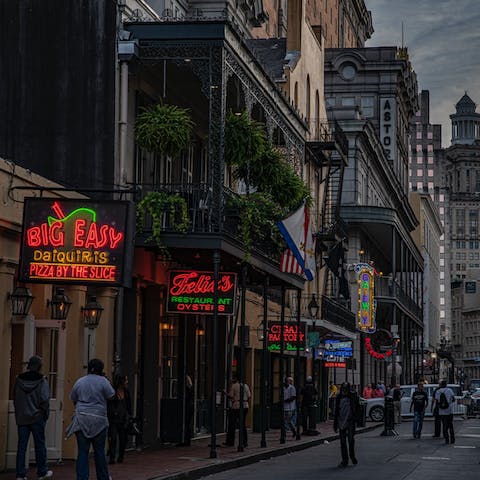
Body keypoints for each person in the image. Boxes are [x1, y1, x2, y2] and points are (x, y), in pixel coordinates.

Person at [66, 358, 115, 480]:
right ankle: (103, 477)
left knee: (82, 451)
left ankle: (82, 477)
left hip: (82, 418)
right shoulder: (103, 382)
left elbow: (73, 397)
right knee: (99, 451)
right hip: (99, 419)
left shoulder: (80, 381)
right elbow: (111, 396)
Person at [14, 355, 53, 480]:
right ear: (39, 367)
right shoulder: (42, 380)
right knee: (40, 445)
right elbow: (45, 399)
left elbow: (15, 397)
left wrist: (19, 412)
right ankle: (42, 471)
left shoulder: (19, 380)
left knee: (21, 446)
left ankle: (20, 474)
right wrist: (44, 413)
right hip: (37, 417)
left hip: (22, 417)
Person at [333, 382, 360, 467]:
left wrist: (356, 418)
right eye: (343, 389)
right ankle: (345, 460)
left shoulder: (353, 396)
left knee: (351, 440)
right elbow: (336, 411)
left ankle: (352, 456)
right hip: (341, 421)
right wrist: (335, 424)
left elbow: (357, 407)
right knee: (343, 442)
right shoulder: (339, 397)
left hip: (350, 421)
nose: (344, 391)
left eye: (345, 389)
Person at [107, 374, 132, 463]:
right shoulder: (112, 391)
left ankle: (121, 456)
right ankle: (112, 458)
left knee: (123, 439)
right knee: (113, 438)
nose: (127, 382)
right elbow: (109, 404)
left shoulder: (126, 392)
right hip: (113, 419)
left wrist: (129, 416)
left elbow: (129, 405)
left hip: (123, 419)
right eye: (125, 380)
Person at [225, 375, 250, 447]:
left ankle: (230, 441)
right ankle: (244, 442)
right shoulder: (246, 386)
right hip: (245, 406)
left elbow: (231, 395)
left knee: (232, 424)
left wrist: (225, 393)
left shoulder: (234, 386)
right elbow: (249, 396)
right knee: (243, 424)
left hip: (236, 406)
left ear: (236, 379)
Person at [435, 379, 456, 444]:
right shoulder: (449, 390)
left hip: (442, 411)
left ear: (441, 385)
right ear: (446, 385)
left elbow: (437, 401)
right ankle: (452, 439)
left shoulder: (438, 391)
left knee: (444, 425)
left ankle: (446, 439)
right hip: (449, 411)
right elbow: (453, 399)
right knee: (451, 425)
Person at [178, 375, 194, 446]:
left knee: (186, 424)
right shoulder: (191, 388)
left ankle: (185, 440)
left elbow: (186, 398)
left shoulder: (186, 389)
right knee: (188, 424)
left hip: (187, 407)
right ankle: (187, 440)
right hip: (190, 406)